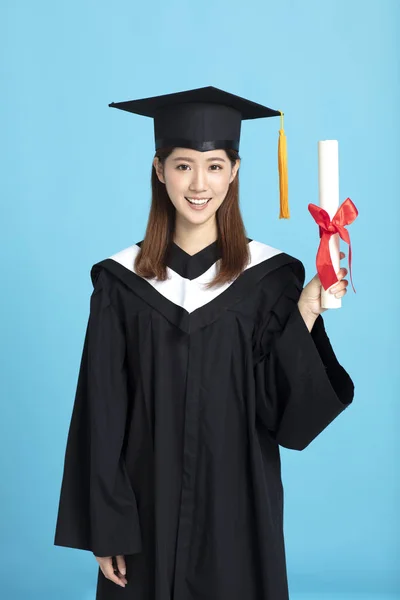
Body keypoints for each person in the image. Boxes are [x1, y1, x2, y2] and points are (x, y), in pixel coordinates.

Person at [54, 86, 355, 600]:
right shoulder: (119, 285)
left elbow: (281, 410)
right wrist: (107, 526)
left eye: (215, 166)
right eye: (183, 166)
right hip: (145, 508)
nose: (199, 184)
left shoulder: (272, 280)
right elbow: (101, 411)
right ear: (159, 169)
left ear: (235, 171)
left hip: (238, 507)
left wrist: (305, 309)